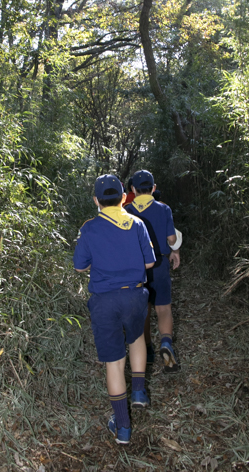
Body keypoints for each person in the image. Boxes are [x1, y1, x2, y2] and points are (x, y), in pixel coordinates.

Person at [73, 174, 156, 445]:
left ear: (96, 200)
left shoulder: (90, 228)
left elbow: (80, 266)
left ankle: (122, 428)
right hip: (134, 295)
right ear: (123, 197)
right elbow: (149, 264)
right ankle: (140, 392)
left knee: (114, 362)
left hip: (104, 300)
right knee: (136, 339)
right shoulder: (137, 223)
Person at [124, 170, 181, 373]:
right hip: (160, 266)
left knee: (143, 310)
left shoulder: (127, 210)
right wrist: (175, 251)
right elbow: (172, 239)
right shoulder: (164, 209)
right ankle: (166, 343)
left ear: (132, 190)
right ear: (154, 188)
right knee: (163, 308)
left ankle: (146, 351)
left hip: (137, 269)